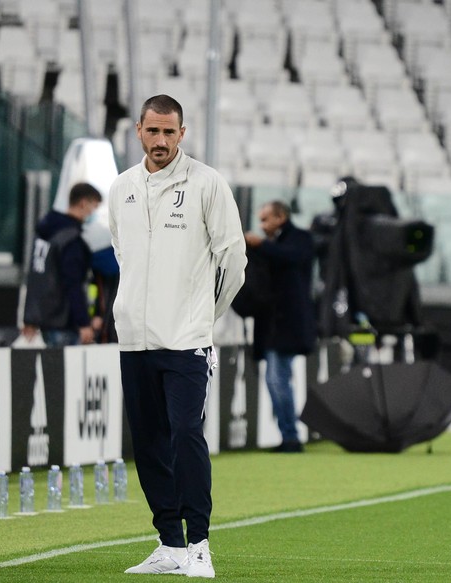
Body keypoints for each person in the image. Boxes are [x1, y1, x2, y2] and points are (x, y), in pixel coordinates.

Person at [108, 94, 247, 578]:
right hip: (135, 340)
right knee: (147, 443)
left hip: (187, 340)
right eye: (153, 131)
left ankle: (200, 544)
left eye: (170, 132)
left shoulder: (208, 184)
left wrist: (204, 318)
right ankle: (169, 543)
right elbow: (124, 255)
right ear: (138, 131)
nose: (161, 140)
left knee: (186, 435)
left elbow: (234, 262)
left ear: (182, 133)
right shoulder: (122, 187)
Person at [244, 201, 317, 453]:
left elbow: (292, 257)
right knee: (276, 380)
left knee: (277, 379)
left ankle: (291, 437)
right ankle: (289, 435)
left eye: (266, 219)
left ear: (281, 217)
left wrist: (261, 245)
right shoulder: (277, 245)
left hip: (288, 325)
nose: (262, 226)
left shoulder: (300, 239)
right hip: (275, 326)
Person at [21, 182, 102, 347]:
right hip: (64, 321)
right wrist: (83, 322)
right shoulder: (70, 240)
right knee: (68, 372)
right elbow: (72, 283)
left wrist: (30, 318)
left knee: (54, 371)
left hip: (46, 319)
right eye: (94, 207)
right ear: (83, 203)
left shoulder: (46, 233)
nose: (94, 213)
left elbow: (36, 277)